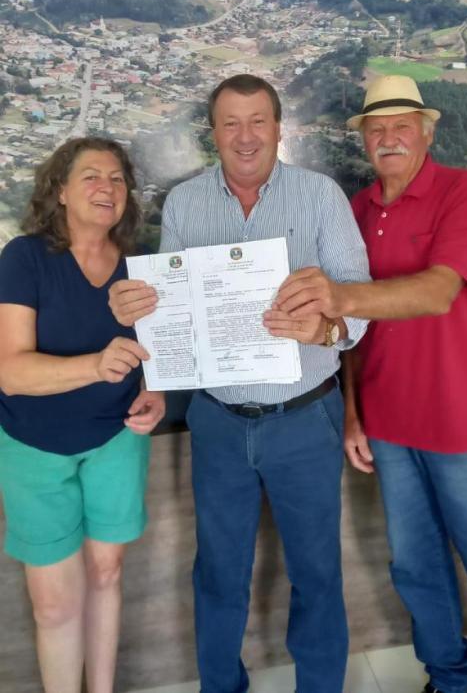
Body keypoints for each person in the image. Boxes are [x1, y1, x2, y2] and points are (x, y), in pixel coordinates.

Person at [108, 74, 370, 693]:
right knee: (219, 573)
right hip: (218, 421)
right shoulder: (186, 202)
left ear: (279, 128)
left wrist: (326, 329)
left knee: (316, 574)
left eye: (258, 121)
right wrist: (135, 311)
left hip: (306, 416)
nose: (245, 136)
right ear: (213, 133)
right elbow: (170, 315)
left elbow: (358, 302)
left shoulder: (319, 196)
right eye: (231, 123)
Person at [264, 75, 467, 693]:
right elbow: (351, 333)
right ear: (363, 140)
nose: (389, 137)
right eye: (376, 128)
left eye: (402, 125)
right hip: (386, 421)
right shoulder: (355, 211)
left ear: (427, 132)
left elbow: (438, 292)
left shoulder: (462, 191)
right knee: (415, 563)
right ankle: (450, 677)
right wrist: (354, 411)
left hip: (460, 418)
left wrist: (340, 295)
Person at [0, 137, 165, 693]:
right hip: (34, 447)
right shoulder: (24, 258)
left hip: (117, 440)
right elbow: (10, 373)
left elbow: (156, 356)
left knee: (107, 573)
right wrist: (95, 366)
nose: (106, 187)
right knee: (52, 605)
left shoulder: (140, 268)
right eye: (91, 175)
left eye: (117, 178)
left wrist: (155, 393)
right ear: (61, 191)